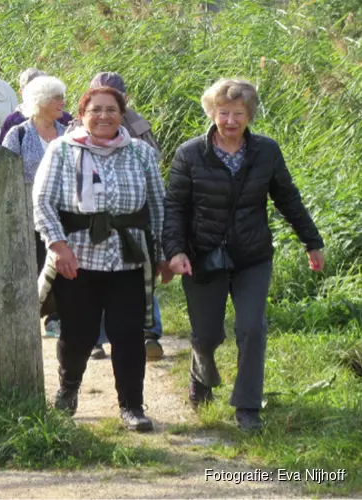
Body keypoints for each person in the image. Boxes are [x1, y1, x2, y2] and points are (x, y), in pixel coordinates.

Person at [163, 78, 324, 432]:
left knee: (252, 327)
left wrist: (312, 241)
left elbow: (288, 198)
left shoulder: (266, 151)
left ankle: (248, 406)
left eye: (238, 114)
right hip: (202, 254)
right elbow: (174, 207)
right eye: (224, 113)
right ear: (212, 113)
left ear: (249, 115)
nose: (231, 121)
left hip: (252, 255)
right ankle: (201, 373)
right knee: (207, 336)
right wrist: (174, 251)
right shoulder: (190, 153)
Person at [33, 86, 170, 431]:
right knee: (79, 333)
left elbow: (158, 206)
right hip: (77, 259)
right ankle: (68, 391)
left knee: (128, 334)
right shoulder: (62, 151)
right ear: (82, 115)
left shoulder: (140, 153)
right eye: (96, 109)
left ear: (122, 114)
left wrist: (163, 255)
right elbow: (43, 202)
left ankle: (132, 406)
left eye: (111, 109)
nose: (104, 115)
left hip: (128, 258)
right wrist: (58, 246)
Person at [87, 71, 165, 361]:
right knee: (94, 284)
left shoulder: (139, 127)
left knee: (141, 278)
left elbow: (154, 169)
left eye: (114, 97)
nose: (105, 110)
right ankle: (95, 339)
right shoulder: (77, 127)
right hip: (91, 224)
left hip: (133, 222)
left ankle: (149, 335)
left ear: (124, 99)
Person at [2, 75, 67, 337]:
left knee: (62, 270)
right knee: (35, 267)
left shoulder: (68, 133)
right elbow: (3, 176)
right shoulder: (17, 134)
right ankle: (29, 317)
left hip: (64, 215)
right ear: (40, 101)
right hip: (28, 216)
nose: (63, 102)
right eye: (57, 97)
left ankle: (57, 317)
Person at [0, 68, 73, 144]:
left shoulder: (67, 125)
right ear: (41, 99)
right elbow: (2, 155)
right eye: (58, 98)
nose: (64, 103)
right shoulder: (16, 131)